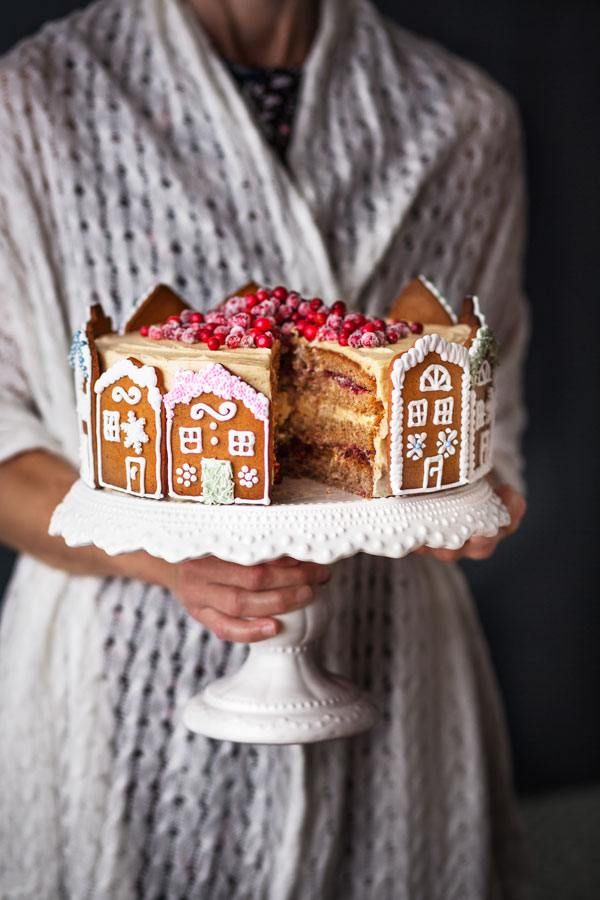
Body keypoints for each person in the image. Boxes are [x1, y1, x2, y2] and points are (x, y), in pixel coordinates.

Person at [0, 0, 528, 896]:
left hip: (394, 691)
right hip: (120, 709)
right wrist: (168, 561)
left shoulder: (463, 119)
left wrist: (473, 505)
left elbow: (489, 417)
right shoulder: (32, 107)